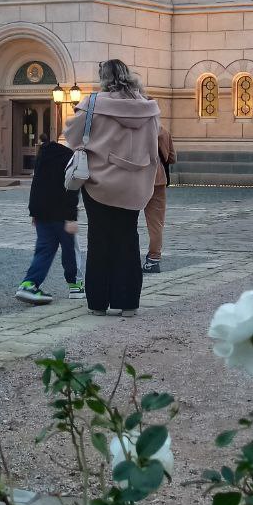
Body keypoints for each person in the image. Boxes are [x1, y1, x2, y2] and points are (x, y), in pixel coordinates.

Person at [64, 59, 159, 317]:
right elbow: (154, 147)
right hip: (134, 184)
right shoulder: (148, 108)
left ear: (103, 78)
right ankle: (128, 303)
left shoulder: (92, 104)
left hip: (99, 183)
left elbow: (71, 136)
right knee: (128, 239)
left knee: (99, 239)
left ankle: (98, 303)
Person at [15, 132, 85, 304]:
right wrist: (71, 218)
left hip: (42, 212)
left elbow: (36, 184)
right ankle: (75, 284)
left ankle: (29, 283)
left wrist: (34, 212)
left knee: (44, 249)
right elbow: (71, 189)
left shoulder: (44, 154)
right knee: (70, 249)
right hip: (62, 214)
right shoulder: (71, 157)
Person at [143, 123, 176, 273]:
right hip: (158, 178)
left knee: (127, 221)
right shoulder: (163, 131)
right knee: (156, 223)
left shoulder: (133, 128)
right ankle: (153, 259)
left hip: (136, 178)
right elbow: (172, 157)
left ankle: (125, 256)